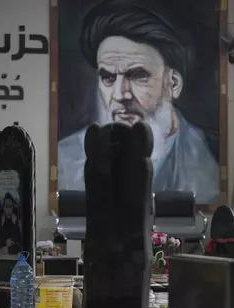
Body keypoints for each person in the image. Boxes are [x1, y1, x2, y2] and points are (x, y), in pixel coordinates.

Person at [57, 0, 219, 204]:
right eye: (108, 78)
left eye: (137, 75)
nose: (120, 95)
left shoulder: (211, 157)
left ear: (173, 84)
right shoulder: (66, 160)